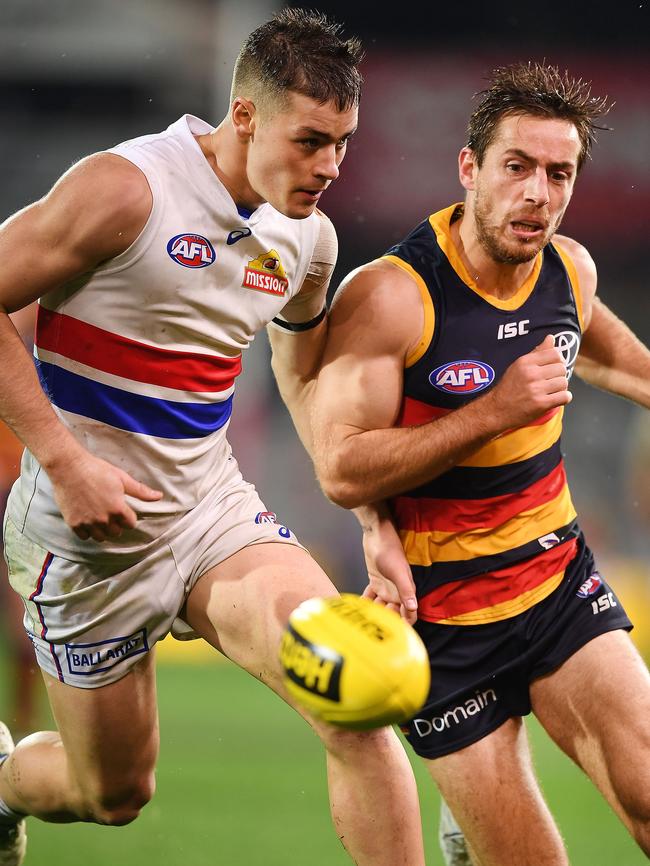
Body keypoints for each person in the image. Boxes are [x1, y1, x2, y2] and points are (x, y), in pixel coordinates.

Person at [0, 10, 426, 866]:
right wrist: (66, 461)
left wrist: (374, 526)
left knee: (355, 700)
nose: (329, 167)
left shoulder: (307, 240)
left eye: (342, 143)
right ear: (244, 117)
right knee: (112, 795)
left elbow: (306, 383)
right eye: (310, 141)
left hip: (212, 518)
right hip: (86, 541)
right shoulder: (126, 191)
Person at [308, 62, 650, 866]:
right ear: (470, 170)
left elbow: (612, 357)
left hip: (557, 585)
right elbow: (342, 470)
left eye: (558, 173)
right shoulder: (392, 296)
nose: (538, 192)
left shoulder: (570, 268)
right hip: (445, 628)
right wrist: (495, 409)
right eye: (517, 167)